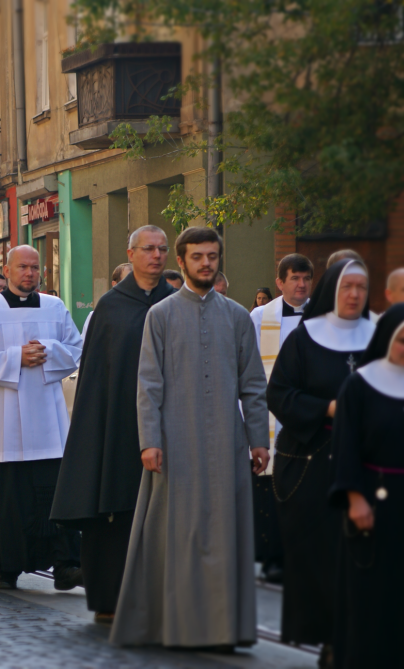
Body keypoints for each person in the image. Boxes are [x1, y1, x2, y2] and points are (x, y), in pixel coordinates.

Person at [110, 226, 269, 649]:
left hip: (227, 444)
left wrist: (259, 440)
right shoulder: (159, 315)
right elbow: (149, 384)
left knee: (223, 535)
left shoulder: (236, 316)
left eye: (212, 256)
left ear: (219, 260)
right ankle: (169, 625)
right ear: (181, 262)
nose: (205, 263)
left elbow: (253, 384)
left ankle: (222, 629)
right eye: (196, 257)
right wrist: (149, 440)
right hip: (173, 442)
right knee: (174, 536)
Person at [51, 225, 175, 622]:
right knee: (115, 511)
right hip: (117, 426)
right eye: (148, 249)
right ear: (131, 253)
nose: (156, 256)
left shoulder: (176, 305)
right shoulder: (110, 306)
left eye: (162, 249)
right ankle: (111, 597)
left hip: (165, 425)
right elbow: (96, 379)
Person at [267, 259, 375, 664]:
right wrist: (329, 409)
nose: (353, 295)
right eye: (346, 286)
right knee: (326, 558)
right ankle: (331, 639)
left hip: (371, 462)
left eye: (361, 287)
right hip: (315, 463)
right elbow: (279, 394)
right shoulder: (305, 338)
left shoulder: (381, 336)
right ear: (331, 289)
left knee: (367, 557)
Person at [0, 245, 85, 591]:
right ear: (8, 270)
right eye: (22, 267)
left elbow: (76, 349)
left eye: (34, 267)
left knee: (53, 495)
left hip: (47, 419)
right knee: (10, 499)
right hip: (4, 423)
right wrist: (16, 358)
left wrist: (45, 351)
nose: (29, 273)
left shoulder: (55, 307)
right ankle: (8, 568)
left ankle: (64, 565)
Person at [329, 303, 404, 669]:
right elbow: (345, 446)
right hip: (377, 503)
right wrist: (354, 498)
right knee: (376, 593)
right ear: (388, 340)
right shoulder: (359, 384)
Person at [249, 252, 314, 584]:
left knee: (308, 486)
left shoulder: (323, 316)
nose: (301, 285)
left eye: (306, 279)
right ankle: (274, 556)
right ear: (280, 282)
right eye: (294, 278)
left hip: (310, 411)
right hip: (271, 409)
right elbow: (247, 368)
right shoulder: (260, 317)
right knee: (273, 487)